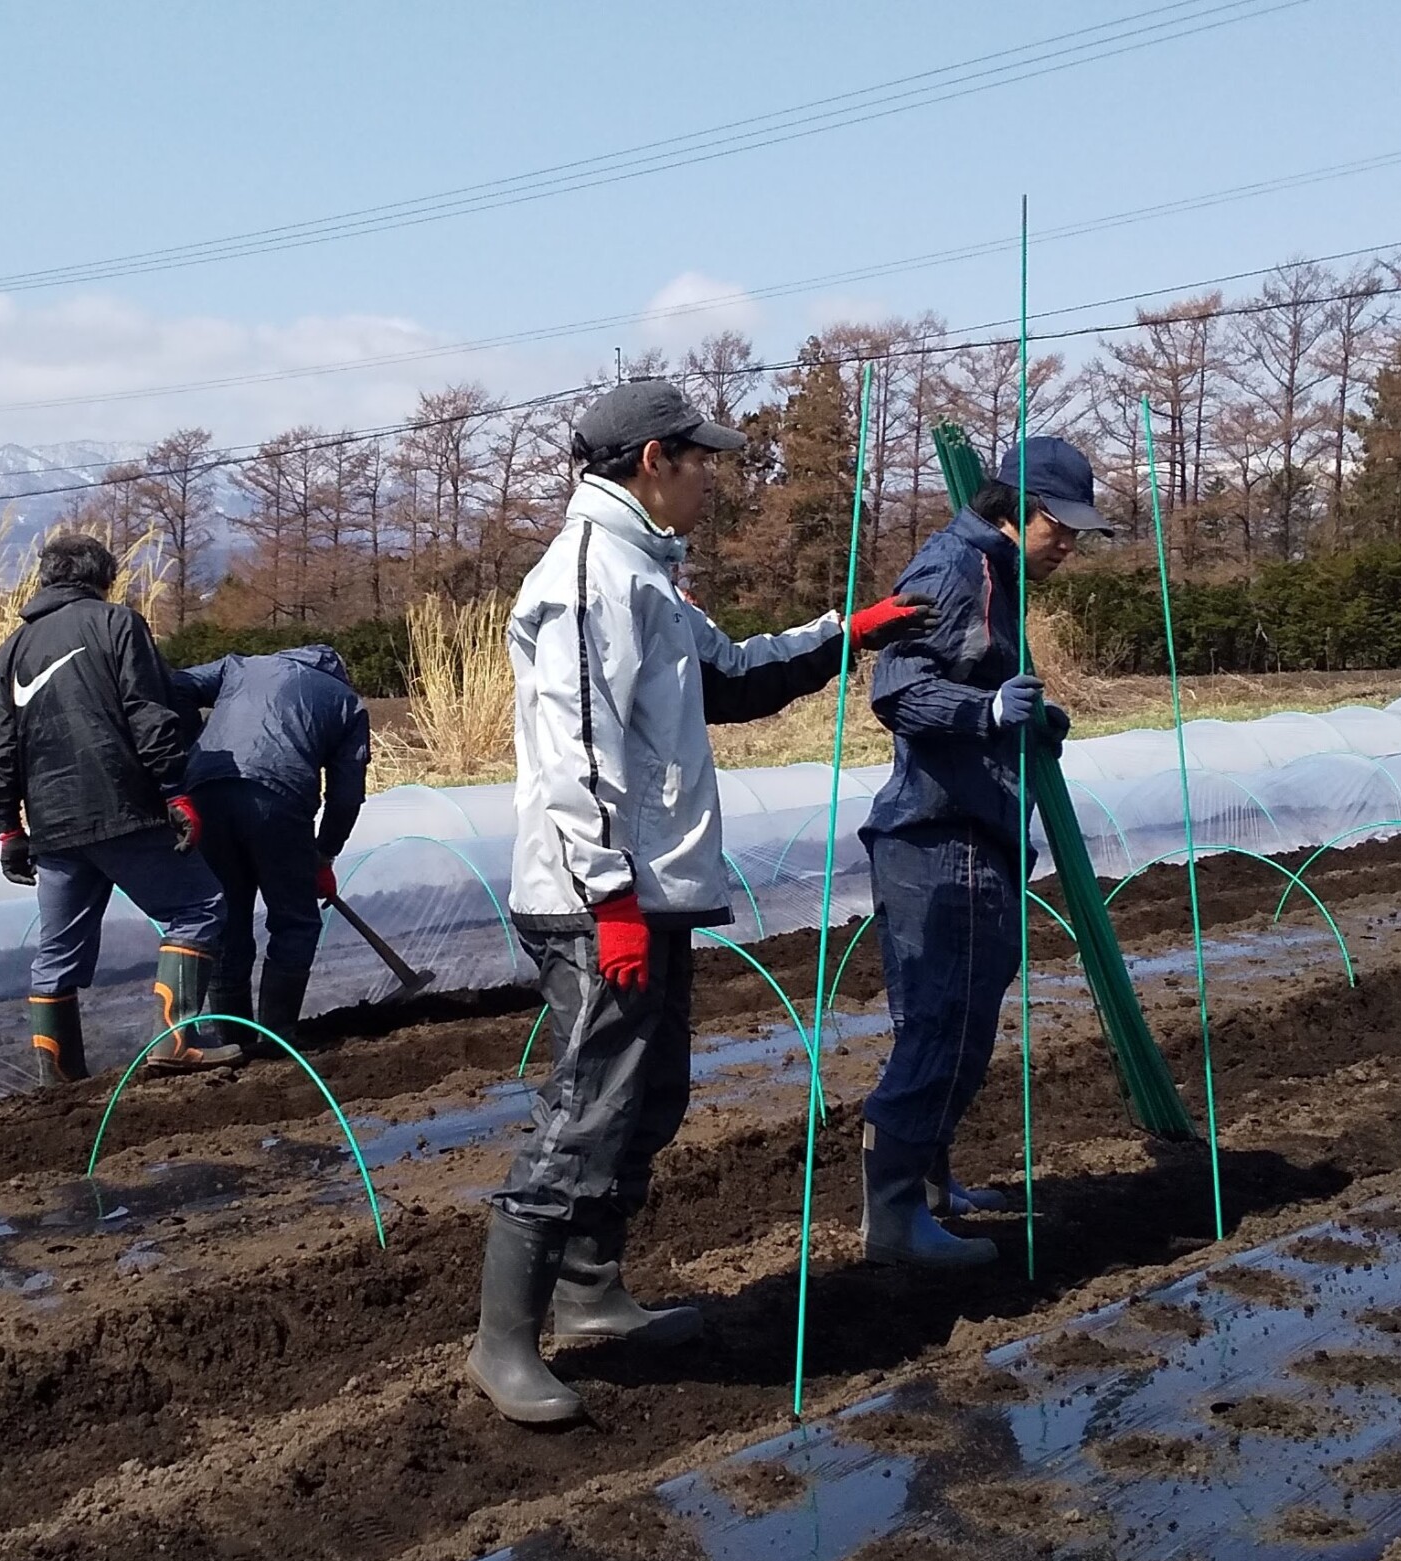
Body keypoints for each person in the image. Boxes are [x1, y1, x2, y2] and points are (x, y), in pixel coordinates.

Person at [471, 380, 936, 1426]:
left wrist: (844, 632)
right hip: (599, 898)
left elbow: (727, 680)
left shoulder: (649, 571)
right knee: (587, 1103)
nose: (714, 477)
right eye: (702, 459)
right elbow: (573, 746)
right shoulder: (591, 575)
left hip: (647, 890)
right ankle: (504, 1340)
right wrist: (612, 894)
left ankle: (592, 1290)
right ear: (652, 462)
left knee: (651, 1095)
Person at [858, 434, 1104, 1271]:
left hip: (960, 827)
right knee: (949, 1023)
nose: (1069, 544)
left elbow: (980, 677)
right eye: (1059, 526)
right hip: (942, 832)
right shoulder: (957, 568)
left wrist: (1032, 717)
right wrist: (987, 714)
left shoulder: (996, 575)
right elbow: (897, 689)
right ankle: (893, 1217)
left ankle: (928, 1193)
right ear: (1014, 508)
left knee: (940, 1019)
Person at [0, 533, 231, 1085]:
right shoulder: (118, 624)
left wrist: (9, 827)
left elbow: (2, 748)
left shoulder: (13, 649)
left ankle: (60, 1079)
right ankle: (179, 1041)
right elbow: (148, 713)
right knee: (199, 906)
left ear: (45, 580)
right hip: (123, 808)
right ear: (103, 578)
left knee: (57, 951)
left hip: (51, 826)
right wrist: (175, 791)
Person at [174, 645, 370, 1056]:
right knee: (295, 922)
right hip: (277, 800)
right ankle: (276, 1038)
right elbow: (346, 796)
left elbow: (175, 684)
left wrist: (192, 746)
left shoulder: (240, 667)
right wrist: (325, 853)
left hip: (204, 792)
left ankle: (231, 1041)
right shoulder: (346, 703)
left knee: (227, 922)